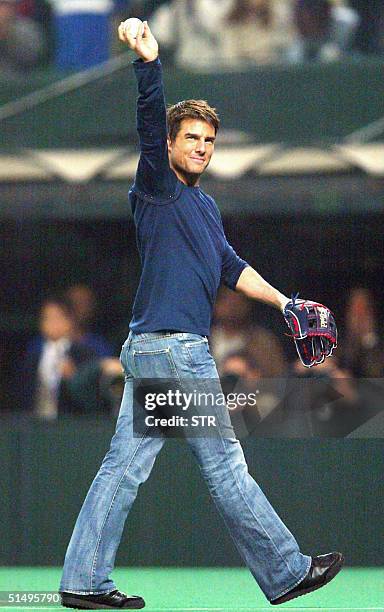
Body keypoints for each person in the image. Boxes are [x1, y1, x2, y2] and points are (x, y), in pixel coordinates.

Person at [59, 20, 344, 609]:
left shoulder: (204, 207)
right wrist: (148, 65)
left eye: (208, 141)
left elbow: (232, 267)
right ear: (170, 145)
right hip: (175, 350)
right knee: (225, 467)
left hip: (151, 350)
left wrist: (287, 302)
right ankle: (287, 572)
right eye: (190, 138)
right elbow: (147, 122)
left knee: (126, 467)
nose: (201, 148)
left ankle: (83, 581)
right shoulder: (158, 186)